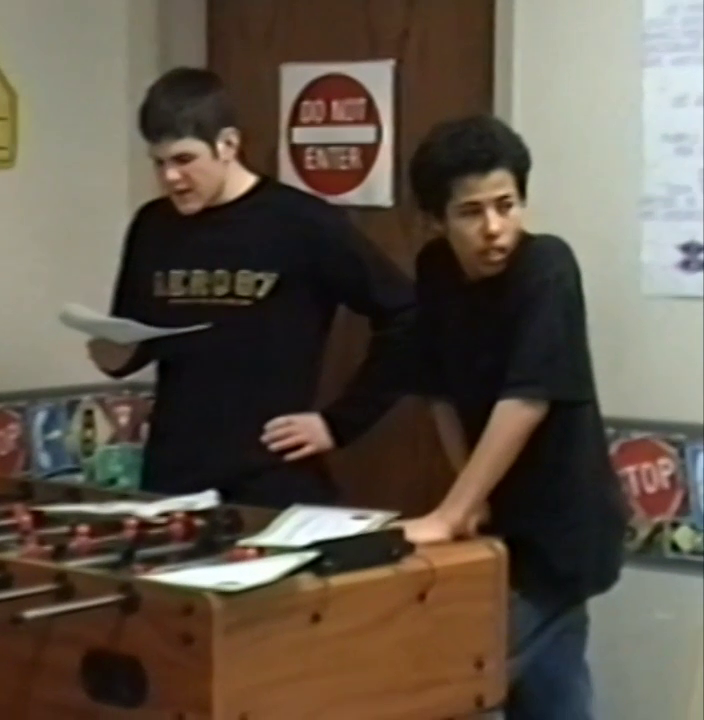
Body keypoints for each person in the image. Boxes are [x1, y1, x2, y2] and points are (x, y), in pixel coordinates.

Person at [86, 67, 415, 508]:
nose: (170, 178)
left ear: (227, 145)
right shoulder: (153, 227)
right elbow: (138, 337)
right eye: (159, 163)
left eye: (184, 160)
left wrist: (340, 423)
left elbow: (407, 315)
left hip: (271, 474)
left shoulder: (301, 223)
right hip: (174, 474)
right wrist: (115, 356)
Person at [398, 114, 629, 719]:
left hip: (563, 526)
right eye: (470, 212)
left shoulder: (547, 266)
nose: (494, 229)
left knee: (455, 679)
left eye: (507, 205)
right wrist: (470, 499)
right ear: (436, 220)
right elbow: (439, 393)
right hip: (501, 526)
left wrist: (452, 514)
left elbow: (527, 400)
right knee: (553, 689)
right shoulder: (435, 270)